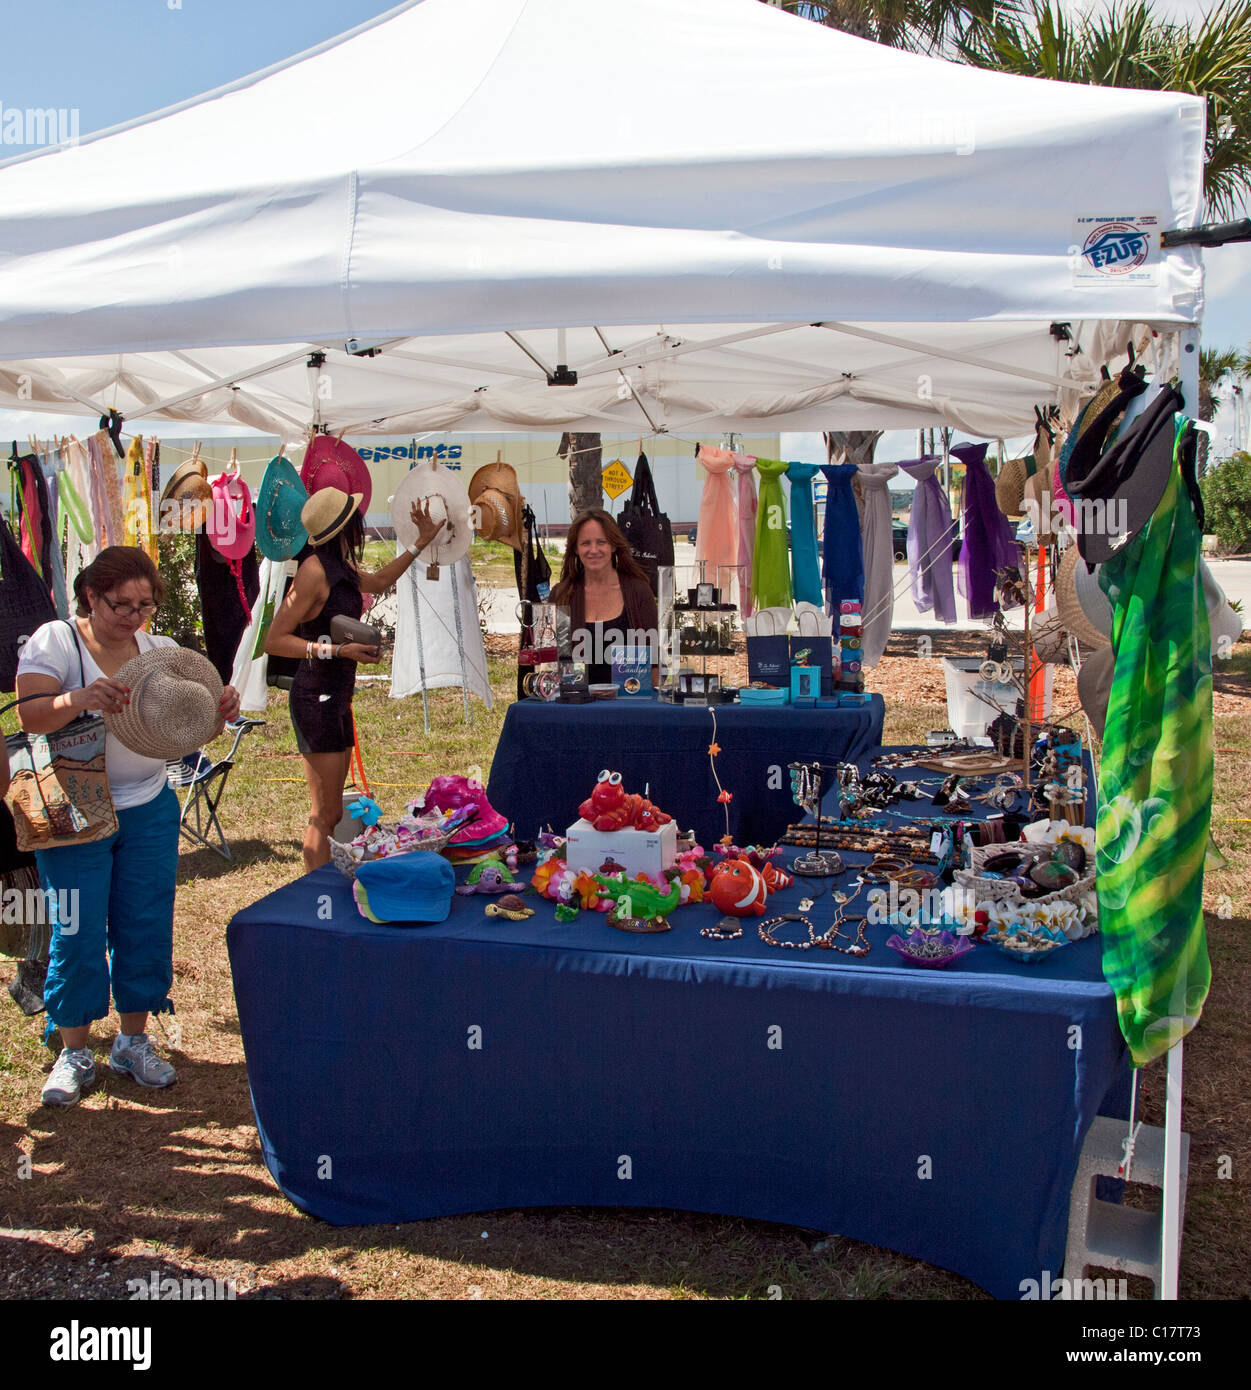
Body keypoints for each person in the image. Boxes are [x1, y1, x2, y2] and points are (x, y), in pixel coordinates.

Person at [15, 546, 242, 1107]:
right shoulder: (57, 641)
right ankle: (74, 1048)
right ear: (90, 595)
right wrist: (80, 696)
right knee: (77, 928)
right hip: (72, 809)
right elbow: (30, 714)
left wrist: (220, 709)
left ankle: (133, 1039)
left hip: (147, 805)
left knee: (144, 921)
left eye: (144, 605)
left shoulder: (161, 652)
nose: (134, 616)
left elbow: (188, 732)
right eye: (121, 604)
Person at [265, 488, 445, 873]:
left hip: (336, 696)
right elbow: (275, 638)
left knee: (333, 808)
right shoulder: (314, 570)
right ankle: (315, 897)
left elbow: (378, 582)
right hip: (316, 696)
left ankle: (322, 891)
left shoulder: (339, 567)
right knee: (325, 812)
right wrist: (335, 652)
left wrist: (420, 543)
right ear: (346, 526)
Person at [549, 509, 658, 684]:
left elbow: (655, 665)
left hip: (626, 706)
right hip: (574, 706)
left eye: (601, 542)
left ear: (614, 545)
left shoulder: (639, 592)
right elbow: (551, 662)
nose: (594, 550)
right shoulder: (561, 595)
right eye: (585, 543)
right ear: (575, 549)